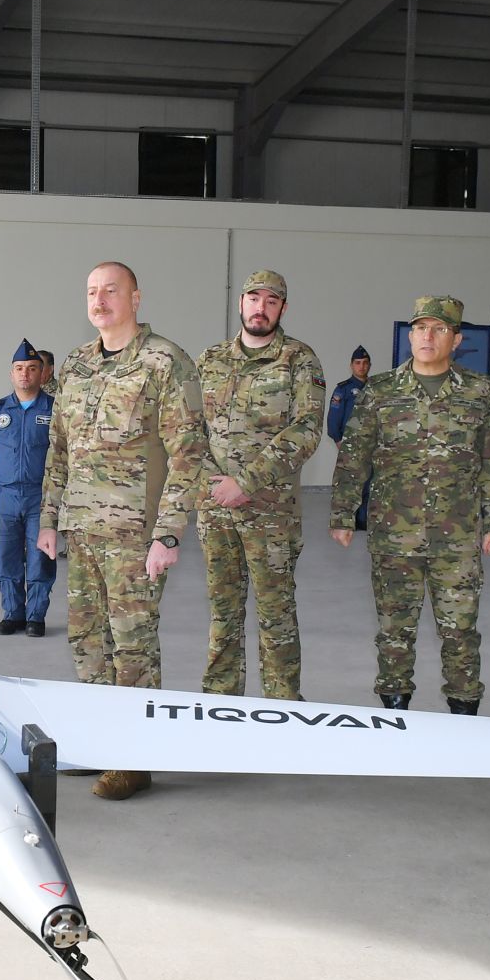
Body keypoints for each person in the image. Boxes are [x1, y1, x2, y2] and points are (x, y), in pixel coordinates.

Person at [36, 262, 206, 800]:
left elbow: (188, 453)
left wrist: (169, 533)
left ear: (136, 298)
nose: (100, 300)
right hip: (82, 528)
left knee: (132, 644)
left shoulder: (165, 362)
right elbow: (59, 448)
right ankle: (99, 742)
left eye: (111, 290)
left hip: (135, 532)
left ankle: (135, 758)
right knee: (89, 642)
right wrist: (48, 518)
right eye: (91, 291)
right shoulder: (78, 363)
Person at [330, 295, 490, 715]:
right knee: (395, 628)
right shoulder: (379, 392)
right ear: (410, 336)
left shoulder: (478, 393)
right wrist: (341, 514)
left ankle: (464, 710)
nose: (428, 337)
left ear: (457, 339)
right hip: (394, 536)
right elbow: (354, 457)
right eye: (420, 328)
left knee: (460, 630)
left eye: (439, 329)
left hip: (459, 537)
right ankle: (395, 708)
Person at [195, 270, 325, 700]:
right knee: (223, 612)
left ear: (282, 309)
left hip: (271, 513)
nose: (261, 308)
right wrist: (213, 484)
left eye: (272, 301)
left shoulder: (299, 360)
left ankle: (284, 705)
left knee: (276, 613)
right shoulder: (210, 360)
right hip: (215, 509)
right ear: (241, 303)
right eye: (254, 298)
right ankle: (220, 699)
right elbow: (189, 428)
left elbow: (306, 430)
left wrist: (245, 482)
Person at [0, 340, 56, 637]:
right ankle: (12, 613)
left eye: (31, 369)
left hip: (40, 496)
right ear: (11, 374)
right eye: (19, 369)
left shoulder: (55, 410)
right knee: (6, 557)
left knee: (39, 558)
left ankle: (36, 617)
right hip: (6, 497)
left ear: (43, 374)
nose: (25, 374)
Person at [327, 344, 373, 529]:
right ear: (351, 365)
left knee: (369, 483)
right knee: (348, 484)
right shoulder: (343, 390)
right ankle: (345, 522)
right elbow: (333, 418)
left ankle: (364, 520)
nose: (361, 367)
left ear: (369, 365)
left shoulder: (376, 387)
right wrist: (338, 440)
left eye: (365, 363)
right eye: (357, 363)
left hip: (371, 444)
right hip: (350, 444)